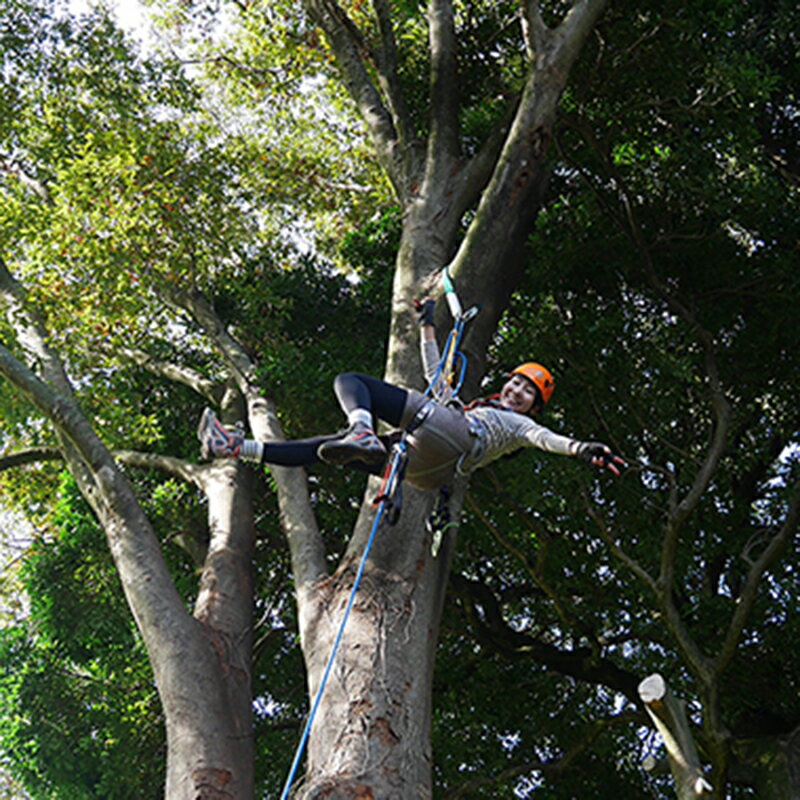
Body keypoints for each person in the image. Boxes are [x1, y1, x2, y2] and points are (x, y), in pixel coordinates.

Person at [197, 299, 625, 489]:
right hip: (425, 471)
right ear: (505, 382)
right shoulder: (462, 403)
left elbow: (542, 438)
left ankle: (361, 429)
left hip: (454, 437)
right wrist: (427, 324)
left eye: (528, 393)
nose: (517, 392)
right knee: (321, 448)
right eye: (516, 382)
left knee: (352, 382)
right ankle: (235, 447)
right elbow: (435, 375)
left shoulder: (519, 425)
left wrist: (579, 448)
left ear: (534, 407)